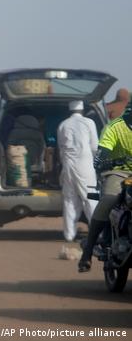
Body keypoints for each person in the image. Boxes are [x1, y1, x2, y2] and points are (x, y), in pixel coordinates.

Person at [78, 103, 132, 272]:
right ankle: (87, 252)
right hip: (119, 173)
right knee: (109, 199)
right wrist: (111, 160)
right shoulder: (114, 128)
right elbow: (98, 160)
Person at [57, 100, 99, 243]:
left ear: (70, 111)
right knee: (90, 198)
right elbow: (94, 147)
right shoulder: (89, 123)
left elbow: (60, 148)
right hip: (85, 164)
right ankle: (97, 234)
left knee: (69, 199)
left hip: (68, 164)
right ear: (83, 110)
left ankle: (69, 235)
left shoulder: (63, 124)